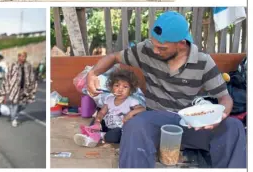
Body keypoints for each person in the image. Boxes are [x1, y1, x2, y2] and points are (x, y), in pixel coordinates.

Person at [85, 11, 245, 168]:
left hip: (189, 124)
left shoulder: (203, 62)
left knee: (234, 128)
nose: (155, 51)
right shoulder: (146, 50)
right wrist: (93, 73)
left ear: (181, 44)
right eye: (154, 44)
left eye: (162, 48)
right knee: (133, 126)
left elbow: (225, 98)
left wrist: (219, 116)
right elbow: (114, 57)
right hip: (154, 120)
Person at [74, 69, 145, 147]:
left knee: (117, 135)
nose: (120, 89)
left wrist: (130, 113)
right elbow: (101, 113)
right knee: (95, 120)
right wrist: (97, 122)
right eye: (117, 85)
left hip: (120, 130)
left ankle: (98, 136)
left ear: (131, 90)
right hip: (108, 126)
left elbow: (142, 109)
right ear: (111, 88)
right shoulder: (109, 99)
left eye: (125, 87)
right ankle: (92, 133)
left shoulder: (131, 101)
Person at [0, 51, 37, 127]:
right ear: (19, 57)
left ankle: (12, 112)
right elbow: (7, 76)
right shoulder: (13, 65)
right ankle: (14, 119)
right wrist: (6, 88)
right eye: (22, 56)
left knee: (25, 104)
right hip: (14, 88)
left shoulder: (28, 66)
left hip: (25, 89)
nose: (24, 58)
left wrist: (32, 87)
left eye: (25, 56)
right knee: (15, 104)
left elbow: (32, 77)